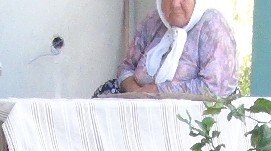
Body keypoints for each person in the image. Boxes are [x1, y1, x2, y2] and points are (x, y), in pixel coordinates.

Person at [95, 0, 237, 99]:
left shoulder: (212, 26)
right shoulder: (153, 21)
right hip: (139, 104)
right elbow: (126, 66)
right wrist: (135, 92)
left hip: (188, 117)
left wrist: (157, 92)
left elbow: (215, 88)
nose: (175, 4)